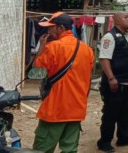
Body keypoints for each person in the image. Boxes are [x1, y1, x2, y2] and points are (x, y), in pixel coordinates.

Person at [33, 12, 94, 153]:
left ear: (61, 28)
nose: (49, 31)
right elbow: (88, 79)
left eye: (51, 28)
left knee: (42, 149)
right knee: (69, 149)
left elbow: (37, 72)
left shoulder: (53, 47)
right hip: (77, 108)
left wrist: (41, 47)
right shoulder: (87, 49)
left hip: (55, 109)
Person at [97, 12, 128, 152]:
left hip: (127, 83)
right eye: (125, 17)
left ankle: (123, 137)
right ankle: (104, 141)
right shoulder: (110, 37)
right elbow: (104, 59)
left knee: (126, 113)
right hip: (114, 84)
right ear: (116, 21)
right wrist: (111, 78)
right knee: (111, 113)